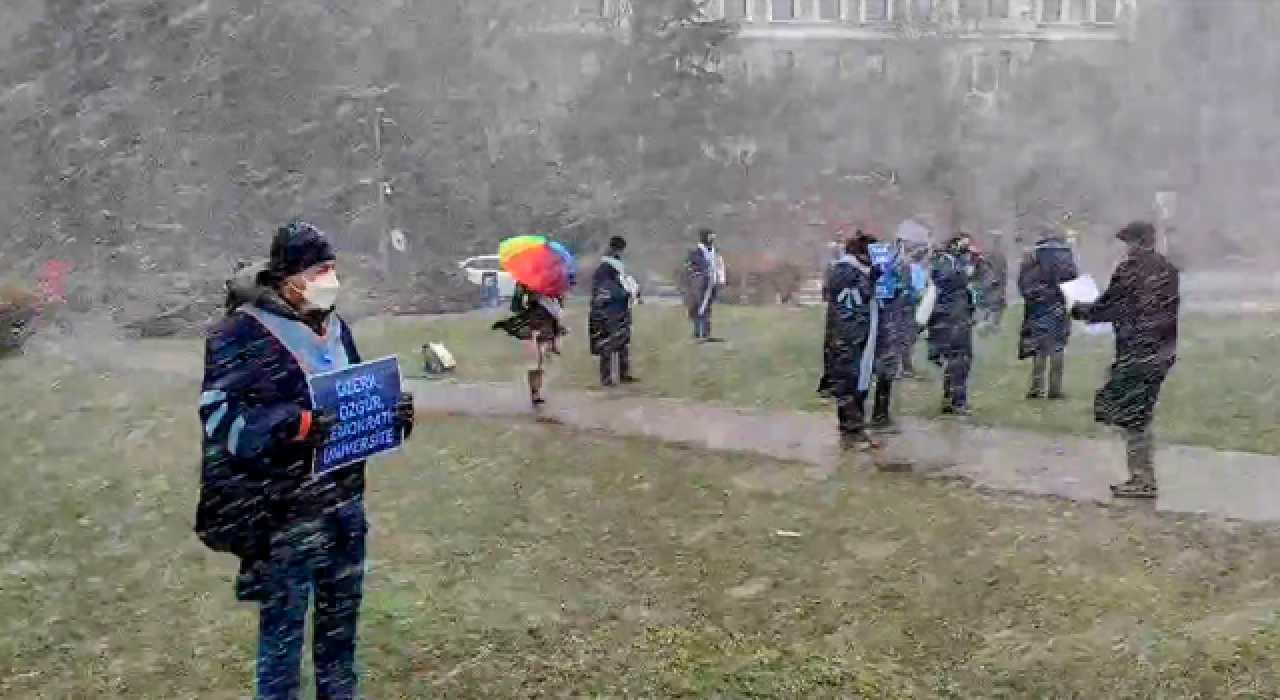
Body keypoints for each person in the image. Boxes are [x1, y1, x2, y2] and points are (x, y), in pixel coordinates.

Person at [197, 221, 416, 700]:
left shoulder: (338, 328)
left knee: (340, 644)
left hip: (343, 508)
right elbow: (219, 417)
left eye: (333, 269)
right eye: (321, 270)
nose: (330, 279)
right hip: (284, 515)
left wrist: (392, 416)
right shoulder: (240, 333)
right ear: (290, 278)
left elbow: (355, 397)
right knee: (282, 646)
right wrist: (293, 427)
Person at [1071, 221, 1179, 499]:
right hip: (1161, 351)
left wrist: (1081, 310)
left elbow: (1111, 307)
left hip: (1136, 352)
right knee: (1138, 412)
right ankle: (1143, 474)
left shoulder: (1130, 271)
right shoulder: (1166, 269)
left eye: (1127, 243)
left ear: (1136, 243)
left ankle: (1142, 478)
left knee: (1133, 416)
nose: (1125, 248)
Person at [822, 235, 882, 449]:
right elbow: (852, 302)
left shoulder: (855, 271)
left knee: (858, 382)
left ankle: (855, 428)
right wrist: (871, 280)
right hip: (846, 337)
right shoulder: (844, 271)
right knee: (848, 382)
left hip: (855, 336)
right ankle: (851, 431)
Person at [1017, 226, 1080, 399]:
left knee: (1039, 349)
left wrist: (1036, 296)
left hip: (1038, 308)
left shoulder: (1032, 257)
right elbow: (1073, 283)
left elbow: (1024, 284)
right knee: (1057, 348)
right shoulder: (1066, 258)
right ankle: (1055, 389)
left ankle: (1037, 388)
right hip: (1059, 307)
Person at [492, 281, 567, 410]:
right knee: (537, 358)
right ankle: (536, 393)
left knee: (538, 358)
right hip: (539, 321)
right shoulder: (537, 277)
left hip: (541, 321)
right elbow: (516, 303)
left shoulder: (544, 278)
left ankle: (536, 392)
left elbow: (516, 304)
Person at [927, 233, 979, 416]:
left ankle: (951, 398)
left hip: (957, 317)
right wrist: (965, 270)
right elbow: (945, 281)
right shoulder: (946, 263)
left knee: (958, 361)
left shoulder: (955, 263)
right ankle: (957, 401)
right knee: (959, 360)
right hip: (951, 318)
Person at [589, 235, 639, 386]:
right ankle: (606, 378)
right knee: (607, 343)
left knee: (622, 342)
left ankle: (623, 373)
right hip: (608, 310)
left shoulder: (616, 265)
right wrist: (624, 292)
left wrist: (631, 291)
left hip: (620, 308)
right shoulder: (605, 268)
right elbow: (606, 290)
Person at [685, 227, 724, 342]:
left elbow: (719, 265)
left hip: (713, 282)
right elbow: (691, 266)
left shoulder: (715, 251)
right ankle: (698, 333)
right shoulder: (695, 252)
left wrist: (720, 280)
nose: (712, 238)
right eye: (710, 236)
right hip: (700, 283)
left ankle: (706, 333)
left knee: (707, 308)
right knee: (699, 307)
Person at [976, 230, 1009, 329]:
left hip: (994, 281)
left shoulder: (996, 253)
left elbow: (1002, 269)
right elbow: (985, 266)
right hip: (992, 281)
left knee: (994, 303)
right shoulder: (992, 252)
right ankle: (988, 323)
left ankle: (991, 323)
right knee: (991, 303)